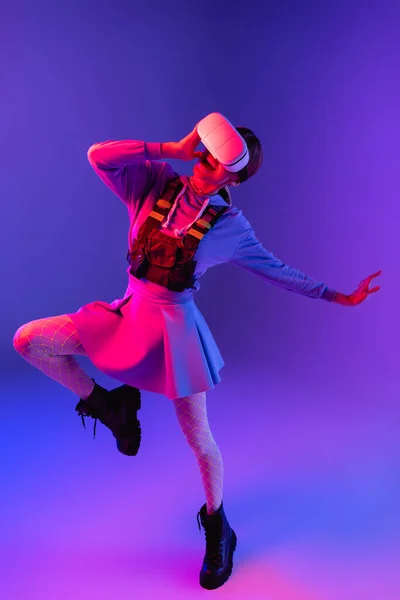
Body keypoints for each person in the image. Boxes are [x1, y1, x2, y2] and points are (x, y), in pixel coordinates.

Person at [12, 114, 382, 590]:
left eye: (214, 162)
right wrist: (170, 147)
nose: (202, 164)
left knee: (199, 439)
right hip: (126, 314)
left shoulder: (230, 227)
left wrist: (339, 296)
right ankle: (110, 404)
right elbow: (98, 156)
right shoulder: (154, 183)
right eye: (202, 154)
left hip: (173, 331)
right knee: (30, 341)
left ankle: (218, 527)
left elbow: (278, 270)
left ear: (234, 177)